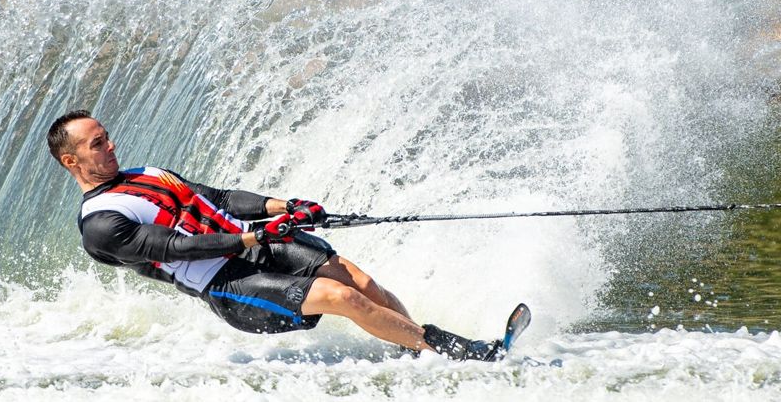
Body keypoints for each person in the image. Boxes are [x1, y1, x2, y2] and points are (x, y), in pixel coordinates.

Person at [47, 109, 503, 361]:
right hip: (228, 284)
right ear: (72, 161)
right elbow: (175, 246)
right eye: (97, 144)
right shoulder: (101, 224)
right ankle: (458, 351)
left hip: (259, 243)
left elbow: (219, 198)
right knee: (341, 298)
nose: (111, 147)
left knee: (360, 282)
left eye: (107, 137)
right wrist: (253, 238)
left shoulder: (147, 173)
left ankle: (417, 349)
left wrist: (287, 207)